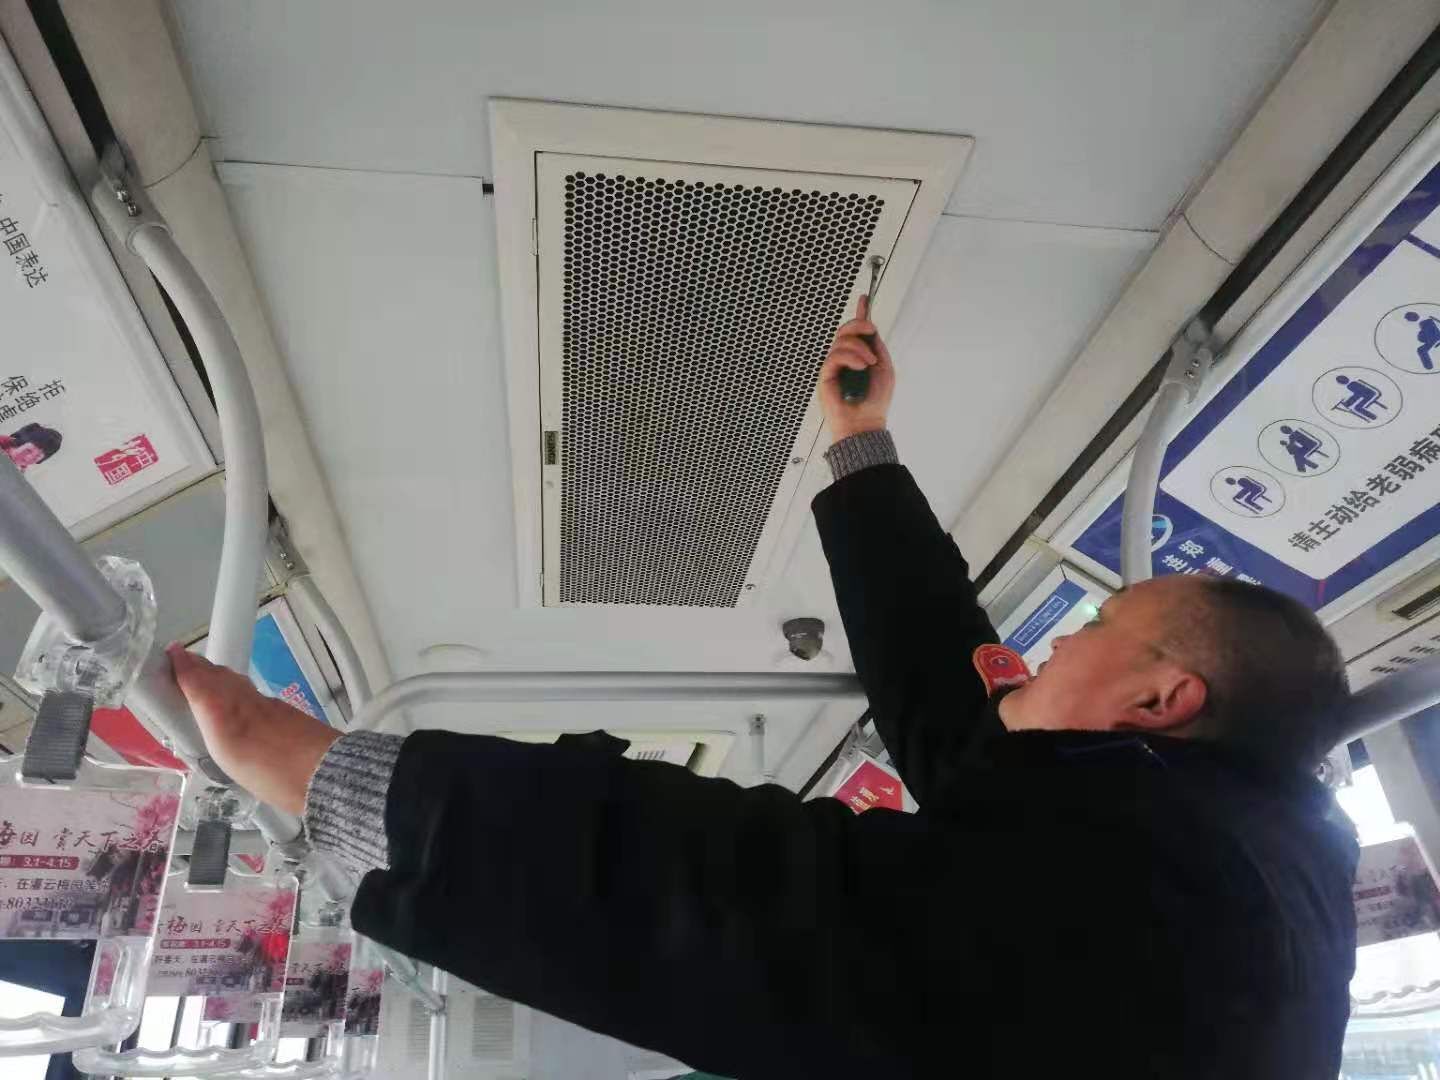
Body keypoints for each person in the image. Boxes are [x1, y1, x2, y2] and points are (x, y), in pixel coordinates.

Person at [168, 298, 1358, 1079]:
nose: (1054, 645)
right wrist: (860, 442)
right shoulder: (1204, 849)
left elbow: (744, 910)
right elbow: (961, 716)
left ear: (1160, 702)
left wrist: (337, 781)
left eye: (1098, 626)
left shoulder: (1173, 911)